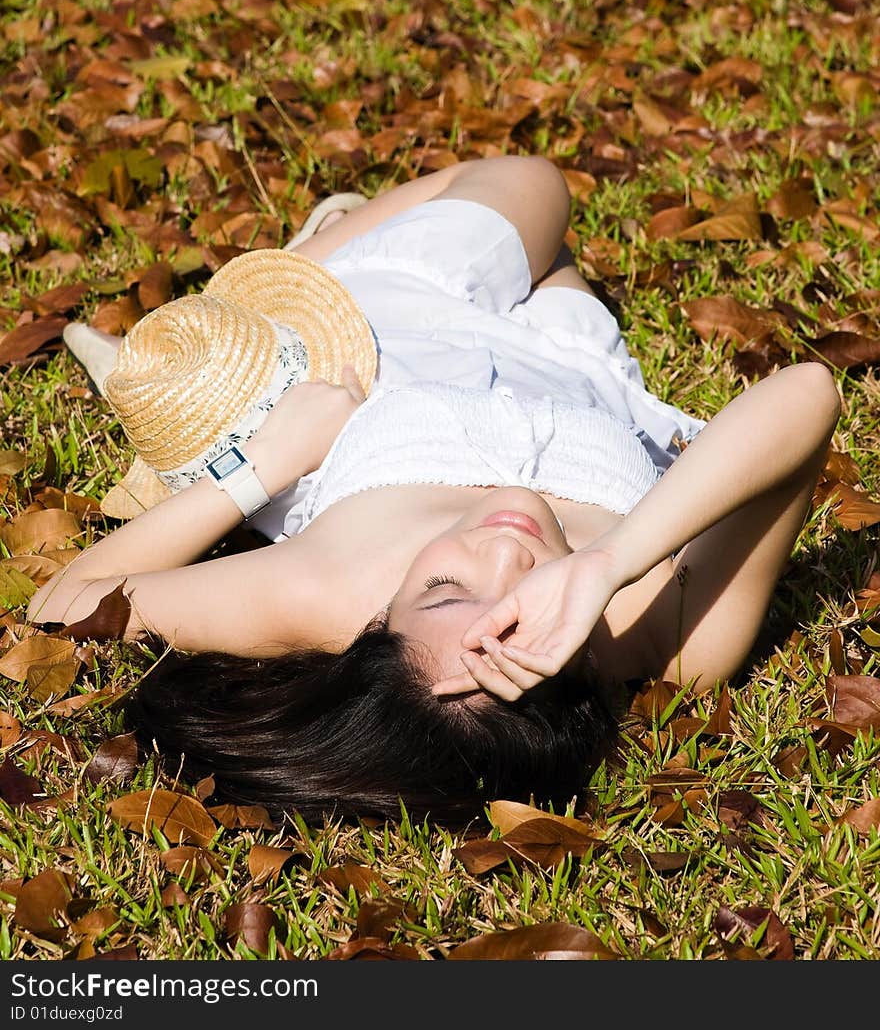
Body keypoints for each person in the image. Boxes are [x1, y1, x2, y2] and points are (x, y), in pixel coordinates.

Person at [27, 156, 842, 827]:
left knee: (529, 187)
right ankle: (319, 248)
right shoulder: (658, 631)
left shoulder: (326, 589)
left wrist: (265, 466)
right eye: (523, 602)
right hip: (570, 356)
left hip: (380, 327)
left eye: (445, 585)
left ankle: (281, 280)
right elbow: (808, 392)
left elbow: (64, 606)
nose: (506, 547)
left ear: (377, 623)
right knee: (546, 209)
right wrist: (607, 564)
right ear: (578, 666)